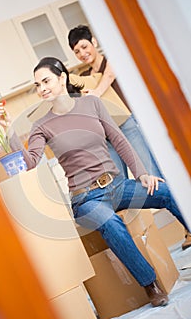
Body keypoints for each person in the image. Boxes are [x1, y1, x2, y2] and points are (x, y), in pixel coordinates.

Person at [0, 57, 190, 307]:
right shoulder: (40, 126)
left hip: (117, 185)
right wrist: (9, 129)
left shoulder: (92, 103)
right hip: (86, 198)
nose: (42, 88)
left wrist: (142, 173)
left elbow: (118, 140)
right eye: (37, 85)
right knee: (112, 224)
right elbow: (29, 163)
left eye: (46, 81)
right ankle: (150, 285)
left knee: (168, 191)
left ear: (62, 78)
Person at [68, 25, 191, 251]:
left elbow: (110, 76)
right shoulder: (85, 78)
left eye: (84, 46)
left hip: (128, 126)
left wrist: (96, 93)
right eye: (76, 51)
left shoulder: (111, 61)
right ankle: (138, 239)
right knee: (116, 188)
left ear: (93, 42)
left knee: (153, 177)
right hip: (109, 138)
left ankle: (188, 227)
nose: (82, 53)